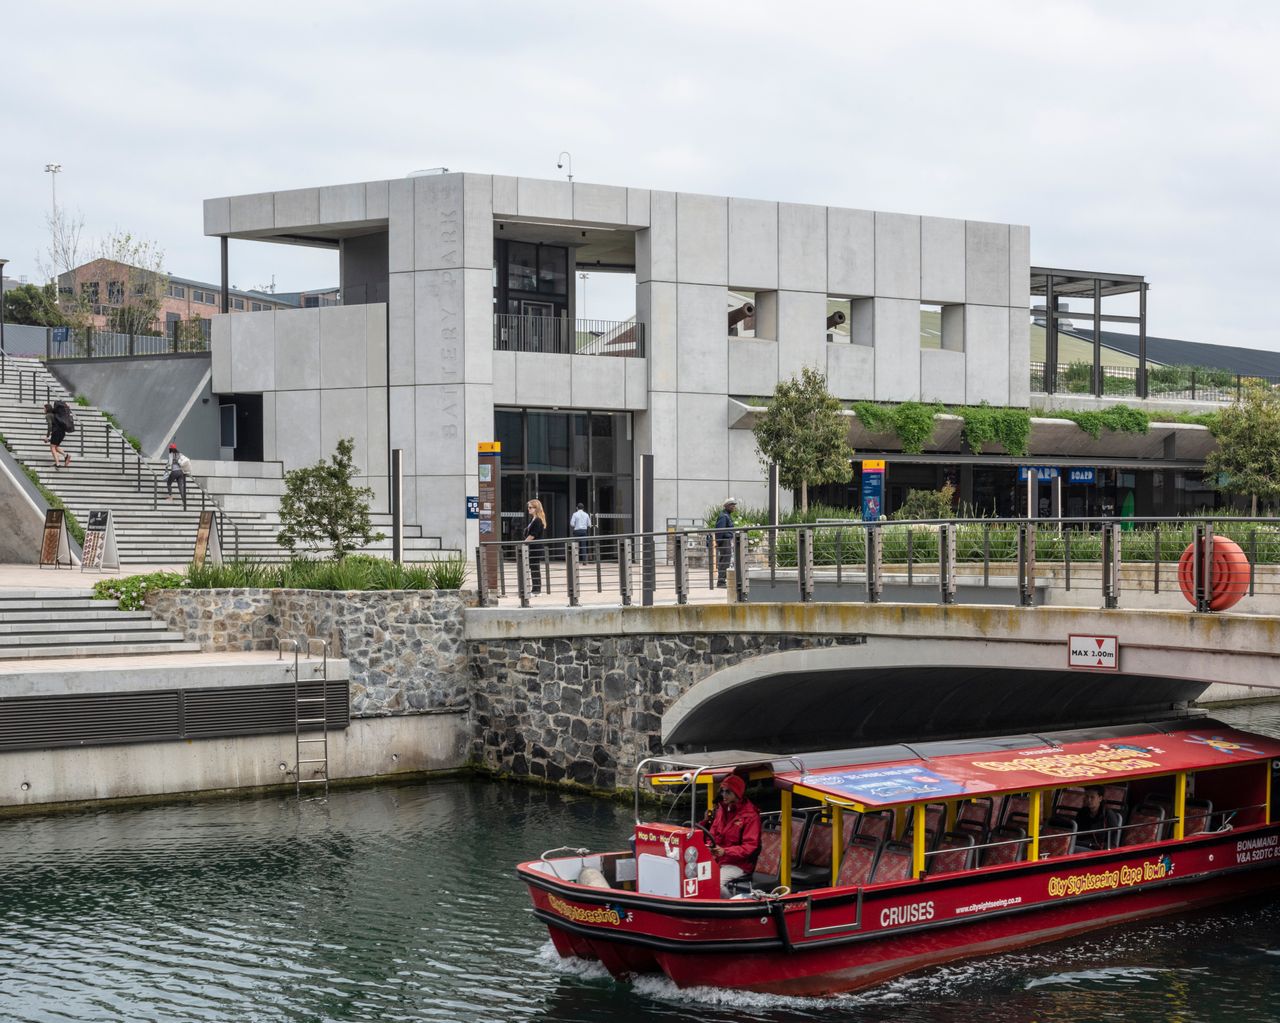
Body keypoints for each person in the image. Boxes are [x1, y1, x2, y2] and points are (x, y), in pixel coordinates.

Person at [705, 774, 761, 897]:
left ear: (737, 794)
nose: (723, 795)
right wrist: (710, 846)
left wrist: (725, 851)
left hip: (739, 864)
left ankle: (729, 904)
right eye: (722, 791)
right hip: (719, 859)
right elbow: (712, 833)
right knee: (697, 877)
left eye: (728, 792)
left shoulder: (750, 816)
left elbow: (750, 846)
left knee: (714, 884)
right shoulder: (721, 810)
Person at [524, 498, 547, 594]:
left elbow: (533, 534)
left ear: (536, 508)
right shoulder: (533, 519)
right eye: (528, 507)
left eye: (530, 507)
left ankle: (537, 590)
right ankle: (535, 589)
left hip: (535, 548)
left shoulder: (537, 520)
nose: (528, 509)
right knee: (533, 568)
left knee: (535, 568)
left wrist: (524, 542)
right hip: (532, 548)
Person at [714, 497, 737, 588]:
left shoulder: (726, 515)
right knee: (724, 561)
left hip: (726, 541)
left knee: (725, 561)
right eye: (732, 505)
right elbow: (720, 531)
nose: (734, 507)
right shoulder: (724, 516)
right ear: (726, 506)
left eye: (734, 505)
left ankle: (722, 581)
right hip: (724, 541)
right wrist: (719, 543)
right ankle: (721, 582)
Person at [164, 442, 191, 510]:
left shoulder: (171, 454)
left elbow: (170, 463)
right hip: (181, 472)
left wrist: (166, 465)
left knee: (168, 483)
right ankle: (184, 501)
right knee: (180, 487)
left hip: (175, 471)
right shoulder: (180, 454)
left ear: (170, 449)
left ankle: (171, 497)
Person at [47, 401, 71, 468]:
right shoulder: (60, 414)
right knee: (56, 447)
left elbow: (50, 426)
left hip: (56, 432)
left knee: (52, 447)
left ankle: (57, 463)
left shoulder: (52, 414)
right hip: (62, 432)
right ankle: (66, 455)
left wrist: (47, 437)